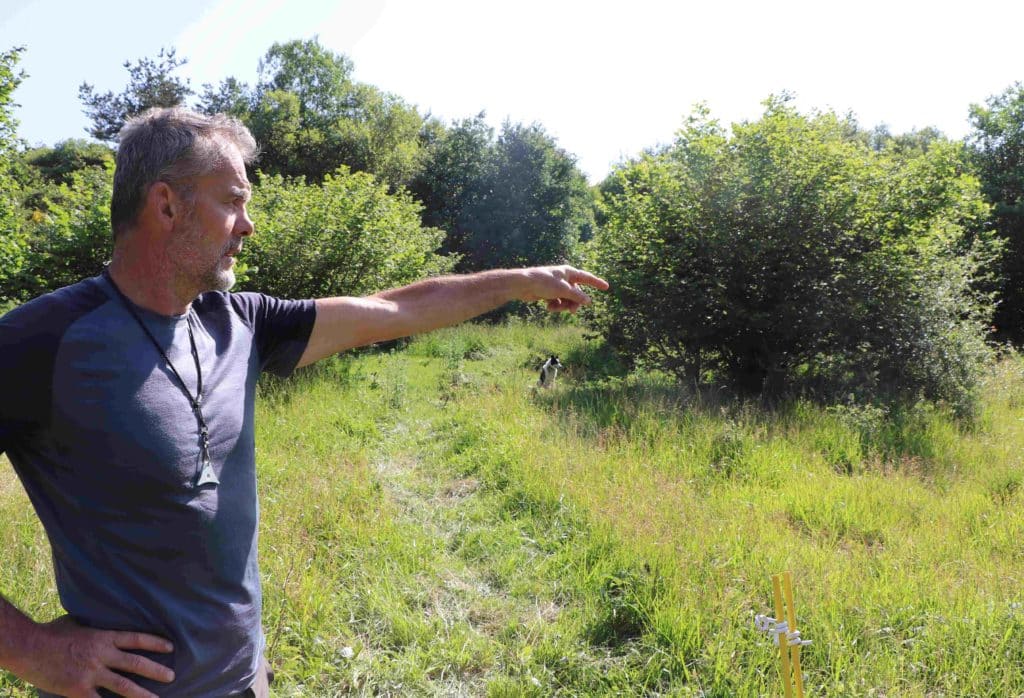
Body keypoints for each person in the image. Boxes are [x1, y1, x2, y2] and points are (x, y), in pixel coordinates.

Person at [0, 107, 608, 697]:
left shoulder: (239, 323)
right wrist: (32, 650)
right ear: (165, 204)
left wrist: (523, 280)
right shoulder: (43, 341)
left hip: (243, 677)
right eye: (233, 200)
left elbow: (396, 308)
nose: (248, 223)